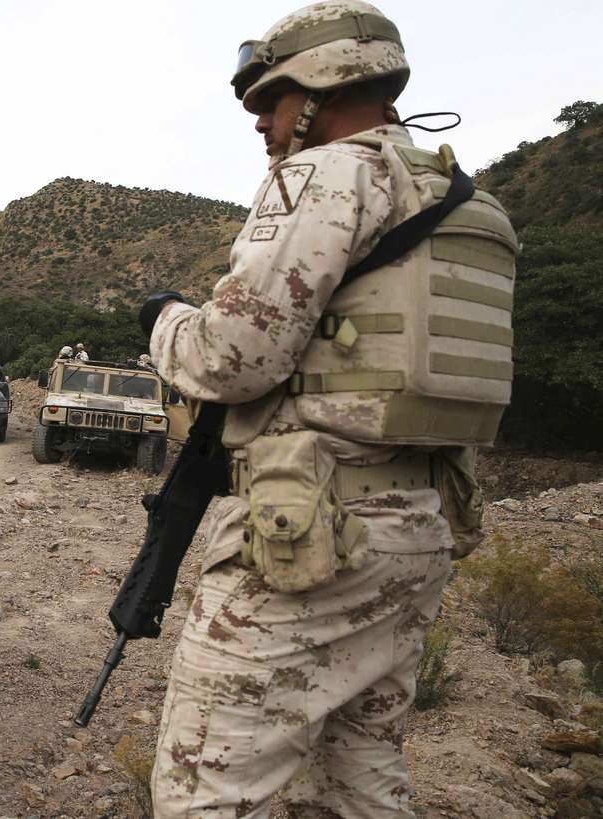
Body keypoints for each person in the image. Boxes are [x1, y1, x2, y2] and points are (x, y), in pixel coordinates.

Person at [140, 3, 517, 816]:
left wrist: (165, 321)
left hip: (312, 538)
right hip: (418, 526)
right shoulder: (469, 206)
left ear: (318, 88)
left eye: (269, 103)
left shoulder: (331, 173)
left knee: (208, 784)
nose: (263, 126)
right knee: (360, 773)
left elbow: (232, 357)